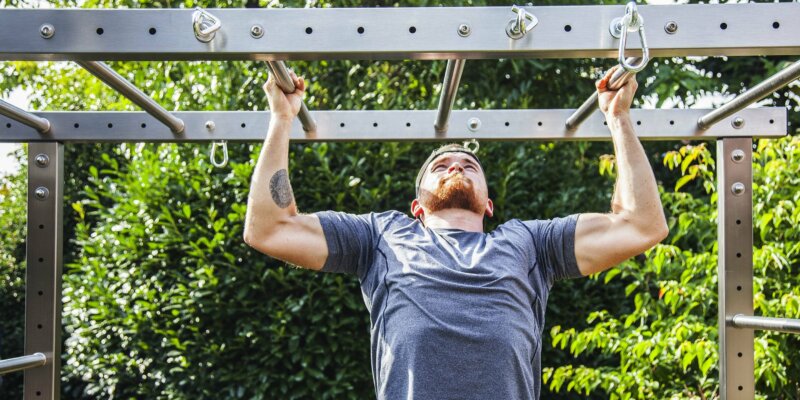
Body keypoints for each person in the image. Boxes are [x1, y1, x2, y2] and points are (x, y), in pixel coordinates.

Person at [243, 68, 668, 400]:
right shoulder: (380, 237)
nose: (455, 165)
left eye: (469, 165)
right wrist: (282, 120)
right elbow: (269, 228)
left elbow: (641, 224)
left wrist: (619, 118)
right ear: (417, 209)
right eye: (440, 165)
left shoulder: (529, 244)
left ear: (488, 204)